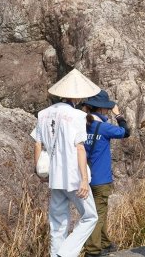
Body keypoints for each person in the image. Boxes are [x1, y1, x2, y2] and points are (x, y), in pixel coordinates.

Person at [32, 69, 101, 257]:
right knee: (90, 216)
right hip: (73, 175)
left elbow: (38, 144)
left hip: (54, 176)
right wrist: (84, 179)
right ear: (77, 97)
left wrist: (41, 170)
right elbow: (79, 148)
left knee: (58, 220)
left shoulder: (43, 114)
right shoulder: (77, 116)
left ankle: (57, 255)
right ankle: (66, 254)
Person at [80, 89, 131, 257]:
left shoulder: (81, 125)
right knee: (98, 215)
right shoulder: (103, 127)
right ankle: (93, 251)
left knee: (94, 213)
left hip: (83, 178)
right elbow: (126, 132)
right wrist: (118, 115)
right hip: (101, 179)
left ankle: (105, 243)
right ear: (101, 109)